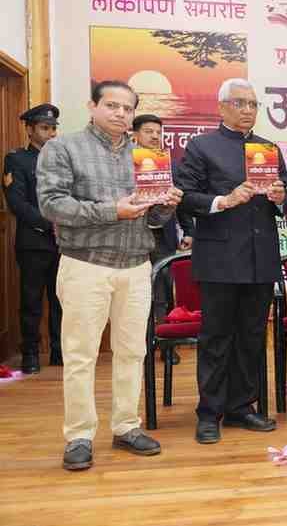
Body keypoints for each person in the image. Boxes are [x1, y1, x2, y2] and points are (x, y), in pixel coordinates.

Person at [37, 80, 183, 470]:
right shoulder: (63, 148)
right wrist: (112, 210)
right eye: (112, 105)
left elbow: (154, 219)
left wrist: (166, 204)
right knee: (81, 355)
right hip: (85, 264)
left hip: (136, 265)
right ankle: (79, 436)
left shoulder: (144, 156)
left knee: (133, 352)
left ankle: (126, 426)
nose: (120, 113)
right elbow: (52, 205)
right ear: (92, 106)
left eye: (127, 108)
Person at [175, 78, 287, 444]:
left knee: (252, 337)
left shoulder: (269, 148)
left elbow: (285, 198)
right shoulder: (201, 146)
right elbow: (184, 196)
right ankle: (209, 412)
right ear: (221, 107)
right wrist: (223, 200)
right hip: (220, 259)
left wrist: (280, 197)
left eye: (253, 104)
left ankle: (242, 407)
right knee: (216, 337)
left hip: (260, 258)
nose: (248, 110)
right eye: (240, 103)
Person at [3, 103, 63, 373]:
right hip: (34, 242)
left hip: (63, 242)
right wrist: (50, 224)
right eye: (44, 128)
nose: (51, 133)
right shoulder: (17, 160)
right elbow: (17, 202)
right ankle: (30, 353)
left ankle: (60, 351)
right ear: (29, 130)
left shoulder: (62, 159)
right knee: (31, 301)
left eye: (53, 128)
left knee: (61, 300)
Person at [131, 114, 195, 365]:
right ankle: (141, 345)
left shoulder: (169, 165)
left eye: (158, 132)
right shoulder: (124, 163)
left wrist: (188, 230)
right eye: (149, 131)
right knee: (135, 292)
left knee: (163, 290)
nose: (155, 136)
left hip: (162, 236)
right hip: (132, 234)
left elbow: (181, 201)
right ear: (135, 135)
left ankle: (166, 345)